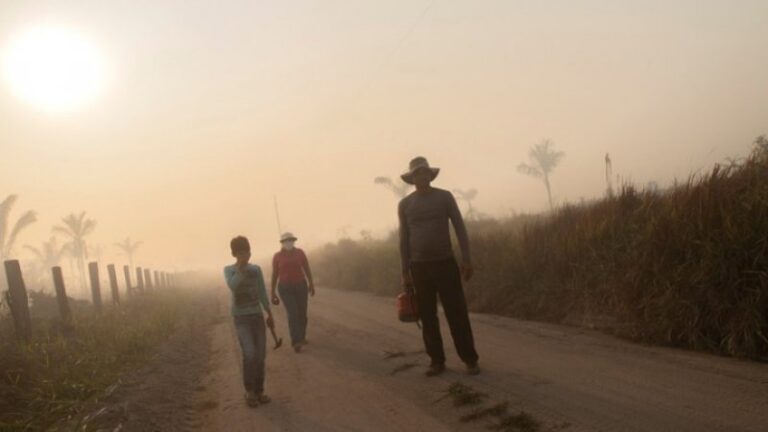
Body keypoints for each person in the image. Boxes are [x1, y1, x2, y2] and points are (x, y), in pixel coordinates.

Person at [398, 156, 480, 376]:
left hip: (445, 263)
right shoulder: (405, 205)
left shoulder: (444, 197)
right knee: (427, 315)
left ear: (430, 175)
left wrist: (467, 259)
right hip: (419, 267)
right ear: (412, 178)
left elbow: (460, 228)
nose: (421, 176)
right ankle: (436, 361)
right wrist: (404, 271)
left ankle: (470, 359)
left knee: (457, 313)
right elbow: (404, 239)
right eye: (417, 174)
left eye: (424, 172)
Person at [224, 236, 275, 407]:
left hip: (257, 316)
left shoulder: (257, 270)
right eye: (241, 252)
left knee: (260, 355)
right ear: (234, 254)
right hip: (241, 318)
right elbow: (233, 286)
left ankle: (259, 391)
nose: (246, 254)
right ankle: (249, 392)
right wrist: (241, 268)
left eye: (247, 251)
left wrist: (269, 313)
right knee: (250, 353)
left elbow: (261, 291)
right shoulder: (229, 270)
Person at [270, 232, 315, 352]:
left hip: (301, 286)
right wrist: (272, 292)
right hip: (285, 288)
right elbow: (274, 274)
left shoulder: (300, 253)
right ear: (282, 243)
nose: (289, 243)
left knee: (302, 314)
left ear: (294, 241)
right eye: (286, 241)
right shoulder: (277, 256)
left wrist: (311, 283)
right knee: (293, 313)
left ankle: (302, 336)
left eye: (290, 240)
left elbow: (306, 267)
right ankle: (296, 341)